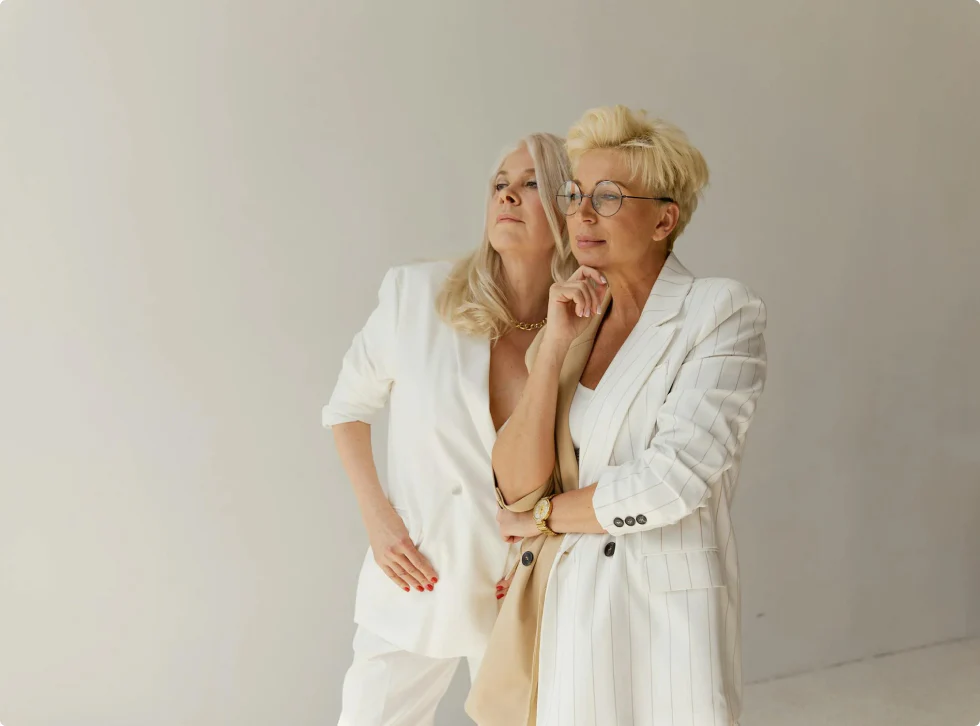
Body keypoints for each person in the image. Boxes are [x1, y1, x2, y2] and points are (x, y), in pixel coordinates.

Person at [476, 106, 768, 726]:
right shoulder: (571, 322)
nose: (582, 213)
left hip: (662, 619)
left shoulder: (717, 311)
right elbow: (514, 483)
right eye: (575, 194)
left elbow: (671, 481)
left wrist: (544, 519)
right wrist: (551, 349)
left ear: (664, 219)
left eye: (608, 197)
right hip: (569, 608)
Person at [322, 132, 576, 726]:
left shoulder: (582, 325)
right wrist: (380, 521)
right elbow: (346, 409)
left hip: (522, 587)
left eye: (531, 184)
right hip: (417, 572)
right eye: (500, 184)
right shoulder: (417, 296)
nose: (508, 196)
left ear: (569, 208)